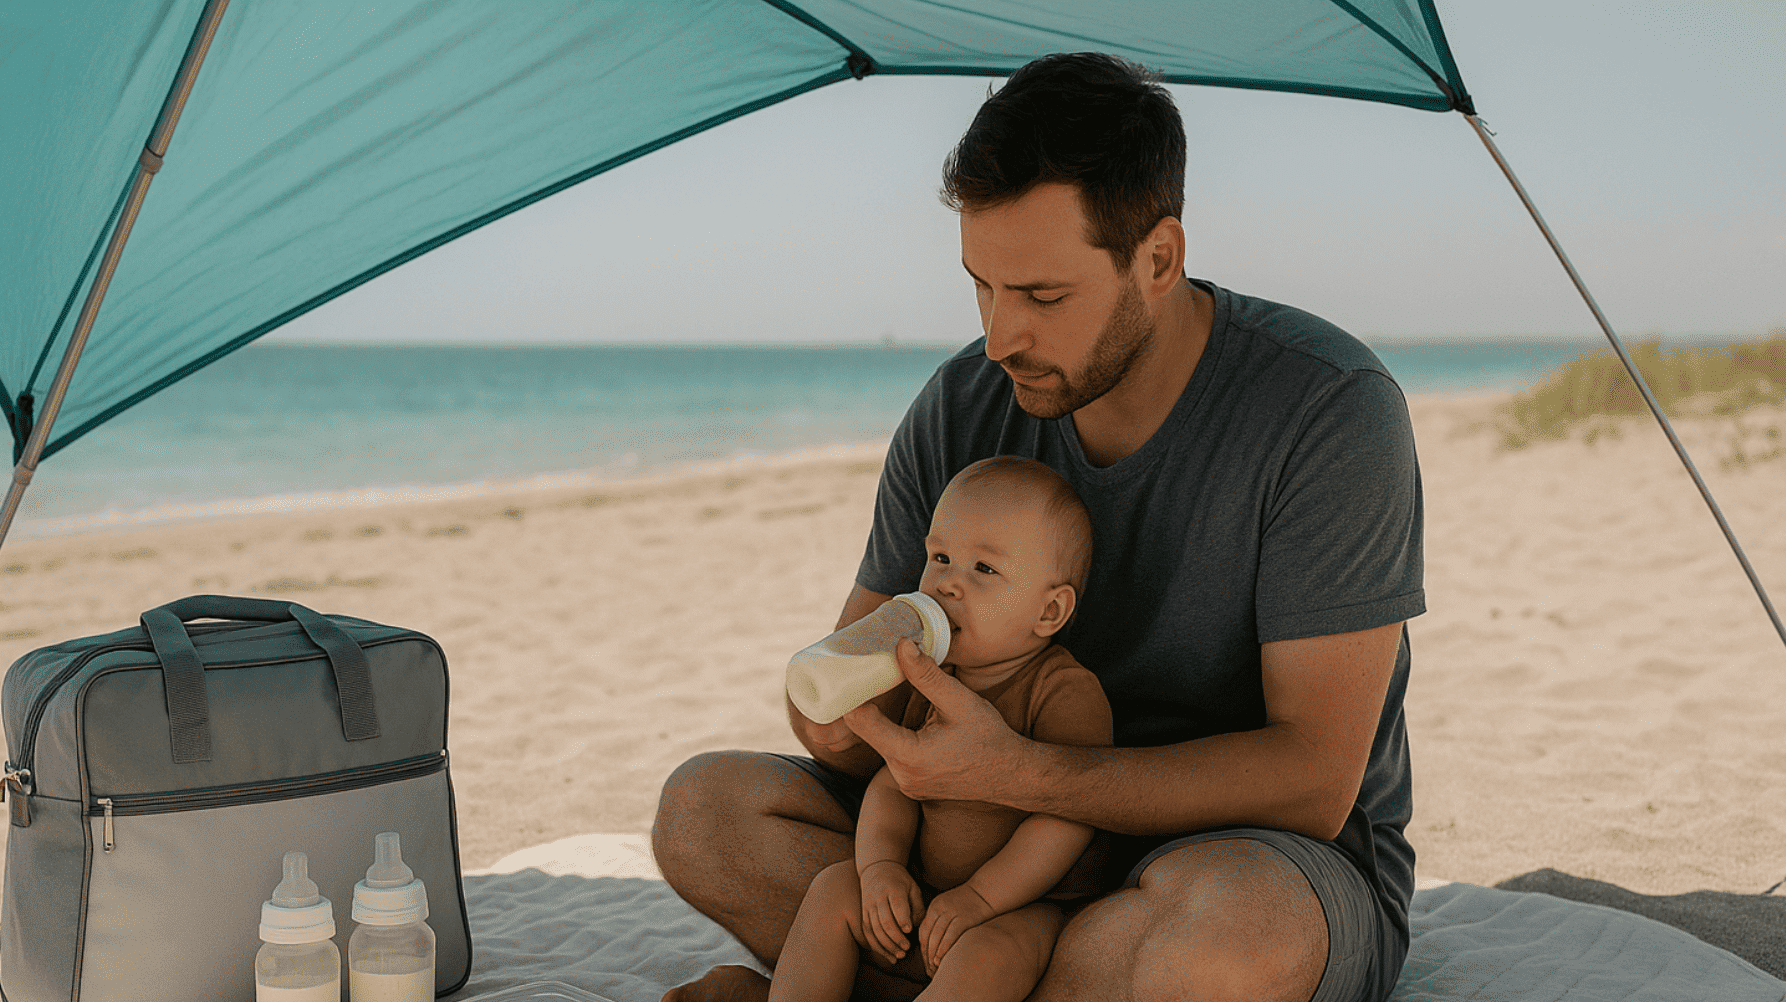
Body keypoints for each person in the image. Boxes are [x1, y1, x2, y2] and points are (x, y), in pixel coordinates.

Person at [656, 51, 1423, 1002]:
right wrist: (844, 702)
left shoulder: (1328, 413)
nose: (998, 336)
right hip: (975, 858)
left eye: (1042, 297)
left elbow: (1312, 780)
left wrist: (1025, 773)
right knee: (706, 814)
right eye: (982, 284)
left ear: (1158, 259)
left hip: (1236, 861)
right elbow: (847, 736)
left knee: (1225, 941)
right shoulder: (961, 408)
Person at [767, 456, 1112, 1002]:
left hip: (1027, 906)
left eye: (984, 570)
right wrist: (880, 867)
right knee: (835, 888)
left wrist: (982, 898)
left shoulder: (1064, 691)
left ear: (1049, 611)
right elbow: (894, 783)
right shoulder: (930, 678)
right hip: (934, 890)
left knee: (990, 955)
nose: (949, 583)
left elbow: (1067, 820)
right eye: (941, 558)